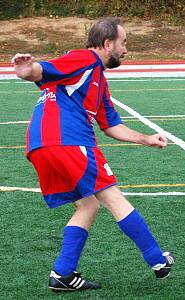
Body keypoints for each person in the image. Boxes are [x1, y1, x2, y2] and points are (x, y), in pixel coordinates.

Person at [11, 17, 174, 292]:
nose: (126, 50)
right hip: (68, 141)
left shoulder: (96, 78)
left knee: (88, 205)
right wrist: (28, 70)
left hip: (41, 146)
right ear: (108, 43)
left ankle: (62, 274)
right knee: (113, 197)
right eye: (123, 43)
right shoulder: (83, 59)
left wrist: (146, 138)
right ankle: (158, 261)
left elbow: (111, 124)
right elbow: (41, 71)